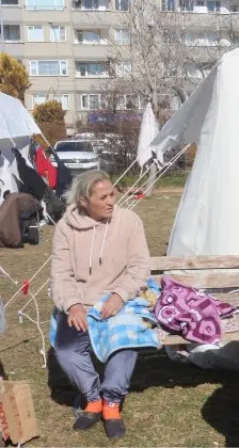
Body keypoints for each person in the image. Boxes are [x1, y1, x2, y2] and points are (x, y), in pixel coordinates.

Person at [50, 170, 150, 439]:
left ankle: (112, 402)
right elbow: (61, 273)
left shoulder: (129, 221)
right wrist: (72, 305)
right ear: (83, 201)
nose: (111, 201)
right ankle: (92, 397)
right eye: (103, 197)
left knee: (126, 342)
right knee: (66, 349)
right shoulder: (66, 227)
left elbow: (140, 267)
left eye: (112, 194)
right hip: (81, 300)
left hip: (120, 298)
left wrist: (119, 295)